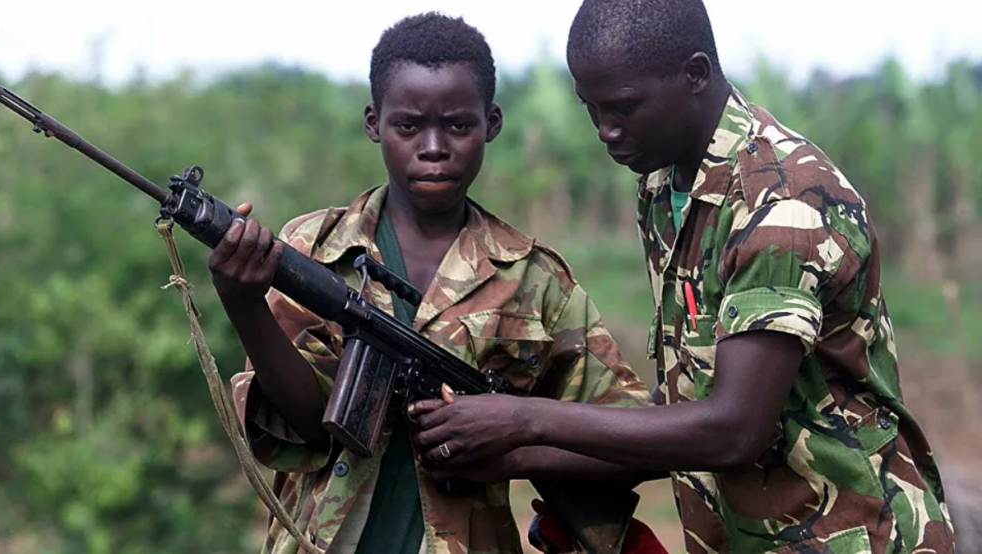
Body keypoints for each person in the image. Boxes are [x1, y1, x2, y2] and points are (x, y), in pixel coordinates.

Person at [408, 1, 958, 552]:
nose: (605, 130)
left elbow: (732, 430)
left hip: (852, 535)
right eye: (591, 108)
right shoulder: (664, 183)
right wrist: (502, 452)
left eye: (623, 107)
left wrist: (525, 421)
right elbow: (682, 406)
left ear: (695, 74)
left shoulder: (780, 203)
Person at [208, 11, 651, 554]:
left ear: (492, 123)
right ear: (374, 123)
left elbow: (632, 435)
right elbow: (307, 424)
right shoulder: (312, 249)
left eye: (458, 125)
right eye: (409, 125)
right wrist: (244, 305)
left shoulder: (532, 278)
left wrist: (514, 440)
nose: (434, 147)